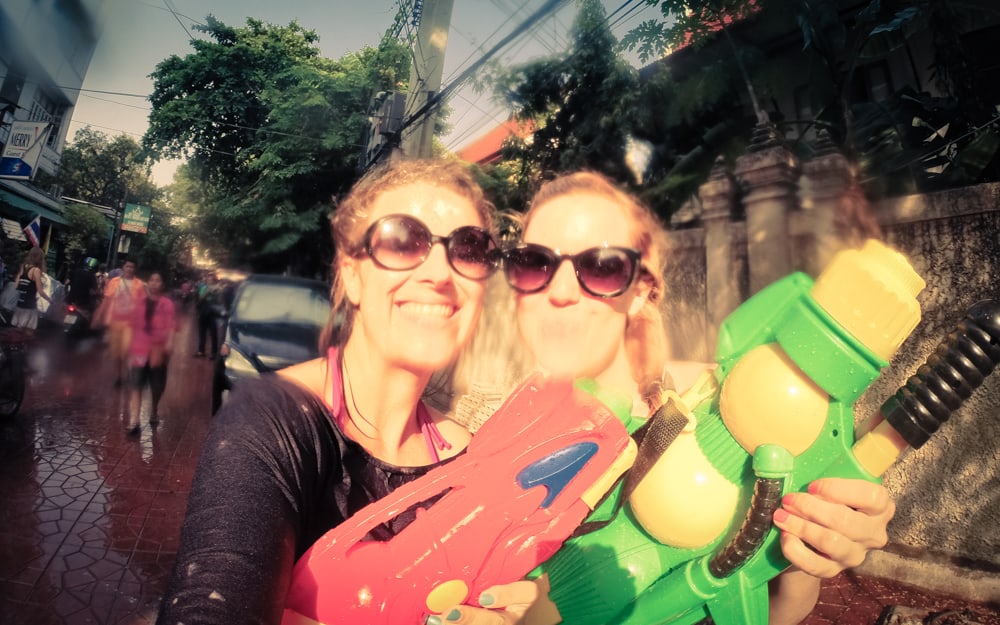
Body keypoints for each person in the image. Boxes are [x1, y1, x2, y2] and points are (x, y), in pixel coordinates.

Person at [433, 171, 895, 625]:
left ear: (643, 288)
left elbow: (779, 611)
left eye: (601, 265)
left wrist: (804, 551)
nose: (561, 291)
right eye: (535, 262)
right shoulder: (474, 422)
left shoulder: (727, 406)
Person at [157, 158, 499, 624]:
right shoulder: (271, 417)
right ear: (353, 274)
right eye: (402, 240)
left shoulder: (473, 463)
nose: (440, 272)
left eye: (469, 247)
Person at [125, 271, 176, 435]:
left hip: (158, 350)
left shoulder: (167, 304)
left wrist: (169, 343)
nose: (154, 283)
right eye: (152, 280)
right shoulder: (139, 302)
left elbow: (172, 326)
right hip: (140, 349)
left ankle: (154, 409)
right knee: (136, 384)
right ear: (148, 283)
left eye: (158, 280)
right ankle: (134, 420)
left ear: (162, 284)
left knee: (157, 385)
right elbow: (132, 325)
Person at [95, 259, 145, 386]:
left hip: (130, 322)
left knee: (125, 350)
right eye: (127, 266)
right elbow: (107, 299)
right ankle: (119, 377)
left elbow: (142, 305)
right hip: (115, 320)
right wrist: (99, 314)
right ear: (123, 267)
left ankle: (126, 373)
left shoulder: (139, 284)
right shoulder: (114, 282)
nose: (130, 269)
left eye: (132, 267)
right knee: (116, 352)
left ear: (135, 269)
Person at [11, 246, 52, 331]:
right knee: (27, 332)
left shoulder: (24, 267)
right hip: (29, 306)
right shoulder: (36, 271)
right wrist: (50, 300)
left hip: (19, 304)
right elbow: (40, 291)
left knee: (17, 331)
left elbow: (16, 285)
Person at [193, 271, 222, 358]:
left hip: (213, 313)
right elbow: (200, 298)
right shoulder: (204, 287)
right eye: (208, 278)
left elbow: (220, 301)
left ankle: (214, 353)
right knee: (202, 333)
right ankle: (201, 351)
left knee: (213, 334)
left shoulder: (218, 289)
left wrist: (213, 292)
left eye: (211, 277)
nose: (209, 279)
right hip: (203, 312)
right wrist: (205, 292)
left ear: (214, 279)